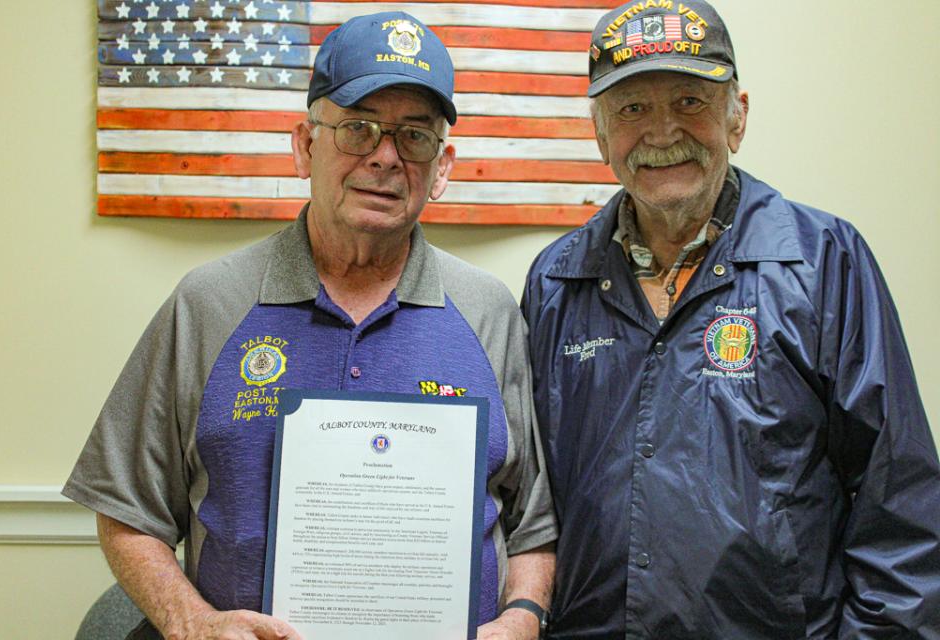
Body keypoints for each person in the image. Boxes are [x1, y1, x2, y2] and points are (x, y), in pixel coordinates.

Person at [65, 12, 556, 640]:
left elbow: (535, 523)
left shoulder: (490, 312)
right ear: (304, 146)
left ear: (443, 167)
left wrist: (522, 617)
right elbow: (126, 508)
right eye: (358, 129)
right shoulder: (209, 303)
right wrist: (191, 622)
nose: (385, 158)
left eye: (414, 137)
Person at [521, 1, 940, 638]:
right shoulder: (555, 281)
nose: (662, 133)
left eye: (690, 101)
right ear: (601, 134)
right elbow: (530, 503)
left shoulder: (825, 262)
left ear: (737, 116)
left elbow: (900, 508)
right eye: (632, 109)